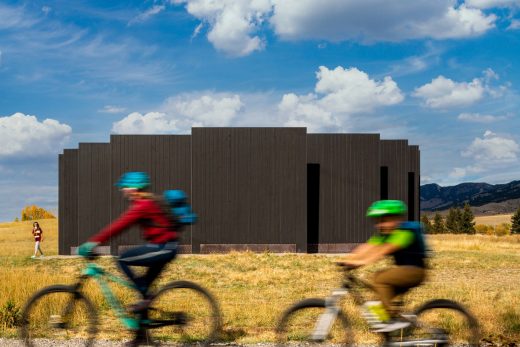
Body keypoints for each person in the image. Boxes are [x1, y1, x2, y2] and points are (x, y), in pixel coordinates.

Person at [78, 172, 178, 346]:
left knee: (122, 259)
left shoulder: (143, 205)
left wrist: (93, 242)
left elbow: (119, 226)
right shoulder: (144, 203)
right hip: (163, 246)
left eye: (125, 187)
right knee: (143, 292)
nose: (123, 190)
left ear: (134, 188)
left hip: (164, 247)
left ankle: (145, 298)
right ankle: (142, 336)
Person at [342, 200, 427, 332]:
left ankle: (391, 321)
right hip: (404, 271)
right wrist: (348, 259)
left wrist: (360, 262)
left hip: (415, 272)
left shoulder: (404, 233)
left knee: (380, 279)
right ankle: (394, 329)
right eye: (378, 220)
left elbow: (383, 250)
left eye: (384, 220)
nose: (380, 224)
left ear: (395, 219)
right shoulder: (385, 234)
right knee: (380, 295)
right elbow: (367, 247)